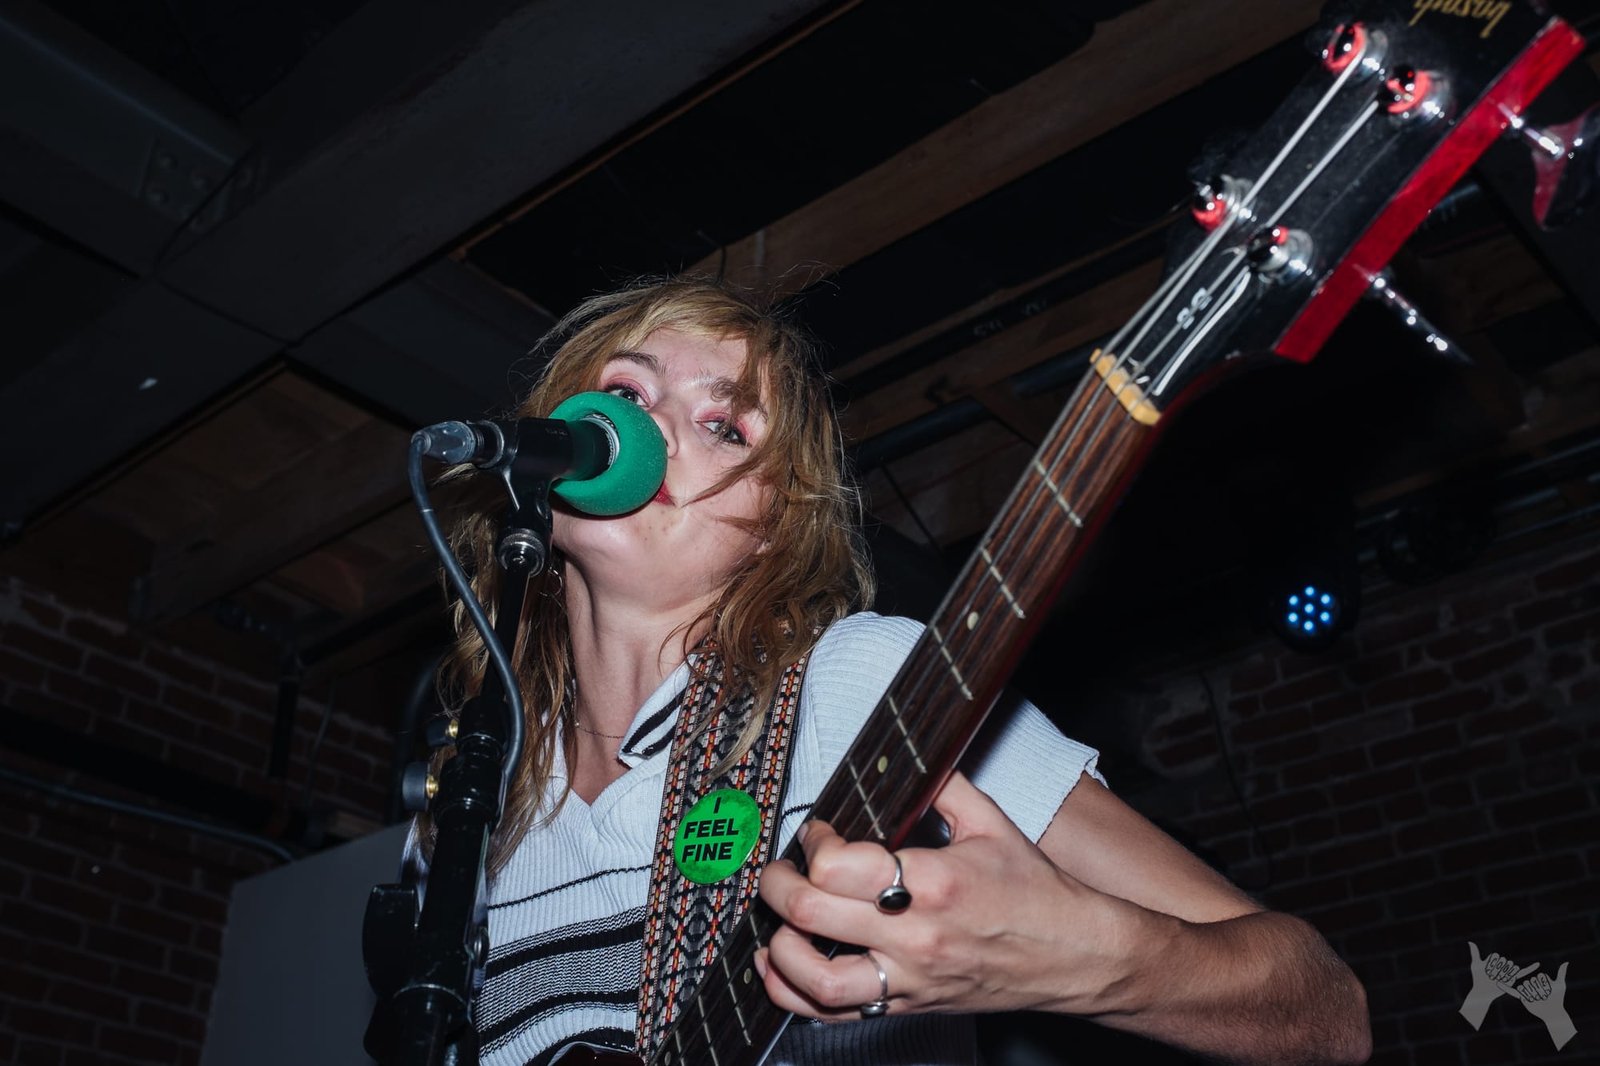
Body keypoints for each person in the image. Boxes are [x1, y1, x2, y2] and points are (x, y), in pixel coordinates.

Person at [413, 277, 1371, 1066]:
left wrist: (1082, 964)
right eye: (626, 394)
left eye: (726, 429)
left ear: (770, 532)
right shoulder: (471, 798)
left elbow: (1325, 1012)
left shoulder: (860, 684)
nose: (651, 429)